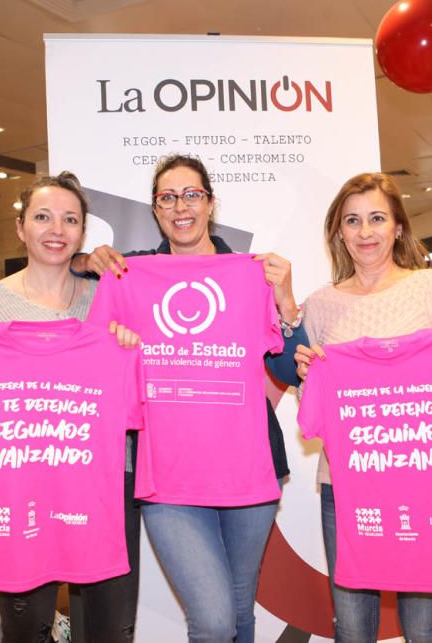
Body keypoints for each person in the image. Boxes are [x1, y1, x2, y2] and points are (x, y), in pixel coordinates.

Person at [71, 153, 306, 643]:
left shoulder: (251, 274)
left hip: (248, 474)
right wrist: (86, 265)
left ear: (210, 203)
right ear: (157, 210)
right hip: (168, 479)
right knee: (215, 620)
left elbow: (287, 366)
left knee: (241, 612)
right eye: (168, 197)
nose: (181, 206)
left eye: (192, 194)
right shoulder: (128, 275)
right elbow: (93, 367)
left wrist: (284, 298)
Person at [0, 171, 142, 643]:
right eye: (43, 216)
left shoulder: (103, 297)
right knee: (27, 629)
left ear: (82, 232)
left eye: (70, 219)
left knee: (111, 629)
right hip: (17, 488)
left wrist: (126, 347)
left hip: (97, 486)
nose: (56, 229)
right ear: (20, 227)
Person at [293, 172, 432, 643]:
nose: (365, 232)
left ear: (398, 226)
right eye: (353, 221)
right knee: (353, 628)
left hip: (421, 483)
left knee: (422, 627)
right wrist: (306, 377)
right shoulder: (319, 305)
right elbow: (317, 409)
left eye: (377, 218)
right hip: (345, 484)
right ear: (339, 232)